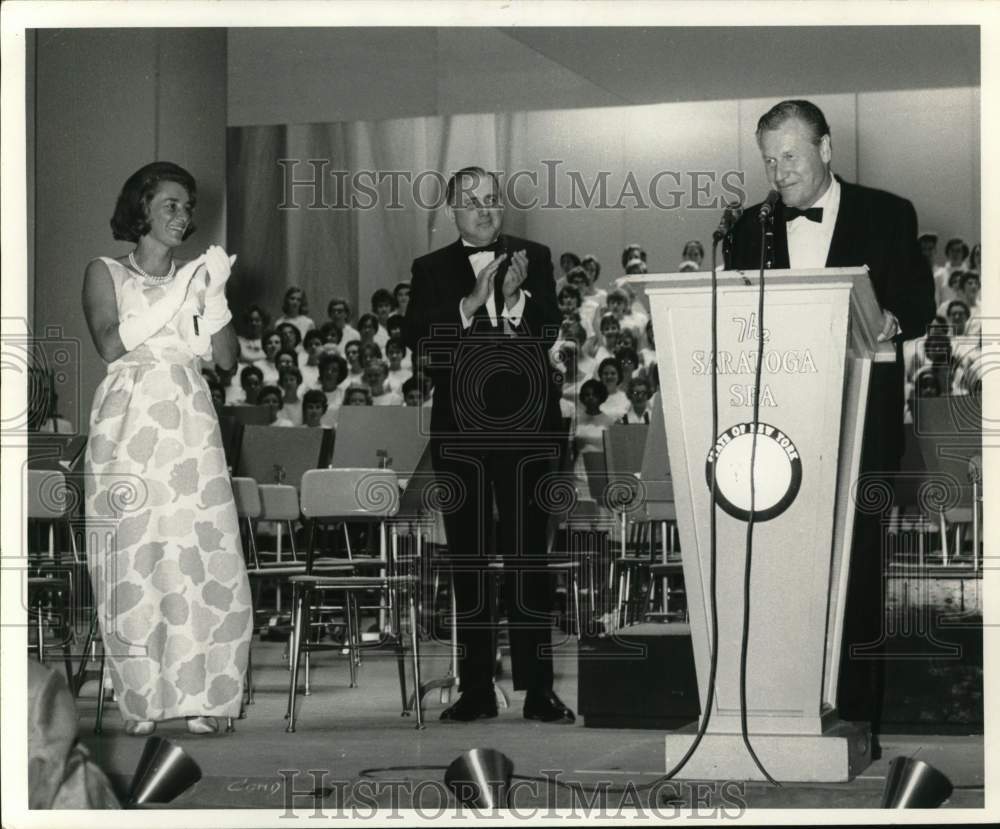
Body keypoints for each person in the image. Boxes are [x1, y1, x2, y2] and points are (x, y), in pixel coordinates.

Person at [724, 100, 935, 747]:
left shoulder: (889, 212)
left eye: (789, 155)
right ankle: (785, 704)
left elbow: (919, 305)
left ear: (828, 148)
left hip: (863, 417)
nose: (778, 171)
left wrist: (888, 320)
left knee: (860, 564)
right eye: (768, 159)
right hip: (780, 427)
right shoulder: (747, 230)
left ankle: (858, 714)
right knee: (784, 564)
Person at [82, 161, 252, 736]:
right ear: (142, 208)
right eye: (171, 206)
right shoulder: (105, 272)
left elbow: (225, 359)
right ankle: (143, 698)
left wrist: (216, 298)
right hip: (128, 423)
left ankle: (206, 694)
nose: (184, 217)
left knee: (200, 556)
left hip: (188, 420)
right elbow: (110, 344)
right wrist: (177, 288)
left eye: (188, 207)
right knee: (135, 555)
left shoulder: (196, 277)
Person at [404, 165, 573, 724]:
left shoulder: (535, 256)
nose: (484, 208)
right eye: (471, 201)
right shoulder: (431, 270)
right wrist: (472, 303)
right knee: (469, 560)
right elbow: (423, 346)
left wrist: (516, 299)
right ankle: (474, 687)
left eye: (492, 199)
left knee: (531, 558)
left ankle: (539, 690)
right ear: (453, 211)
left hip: (529, 431)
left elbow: (552, 333)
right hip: (462, 433)